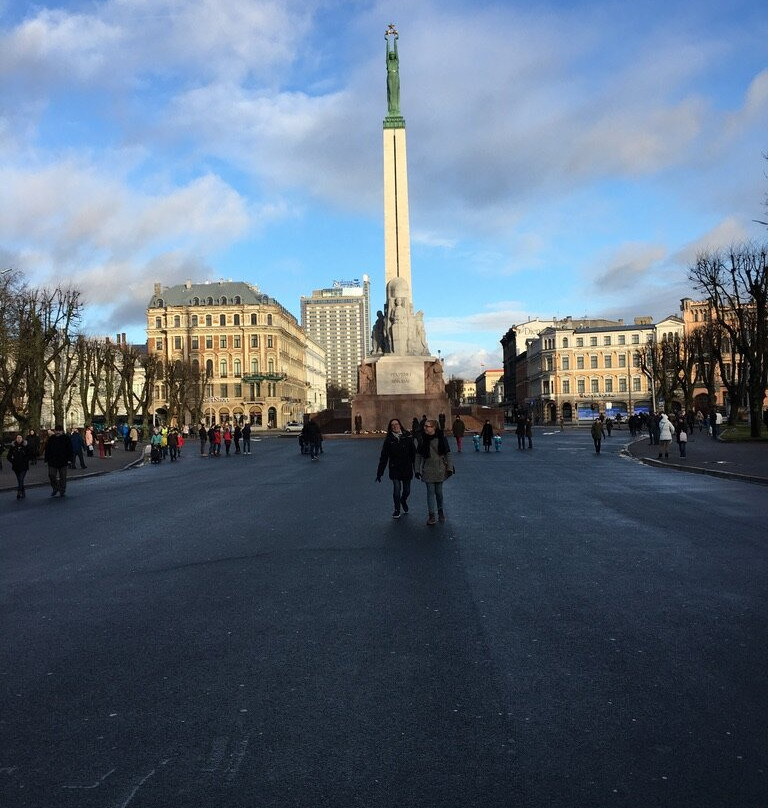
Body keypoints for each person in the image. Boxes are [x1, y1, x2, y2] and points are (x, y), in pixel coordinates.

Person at [415, 419, 453, 525]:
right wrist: (417, 469)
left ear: (434, 428)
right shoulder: (422, 439)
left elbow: (448, 453)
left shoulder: (441, 438)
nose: (425, 428)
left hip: (439, 468)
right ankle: (431, 515)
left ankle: (440, 510)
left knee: (439, 492)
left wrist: (449, 467)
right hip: (427, 469)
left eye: (428, 426)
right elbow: (418, 455)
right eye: (425, 426)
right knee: (430, 493)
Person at [375, 418, 416, 518]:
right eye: (392, 425)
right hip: (395, 468)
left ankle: (403, 500)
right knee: (396, 489)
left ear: (400, 425)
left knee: (407, 490)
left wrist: (417, 469)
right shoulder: (388, 440)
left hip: (406, 467)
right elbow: (384, 457)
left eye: (396, 424)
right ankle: (397, 509)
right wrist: (380, 472)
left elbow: (414, 454)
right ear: (390, 427)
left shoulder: (407, 437)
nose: (395, 426)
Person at [45, 424, 74, 496]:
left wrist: (70, 459)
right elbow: (47, 449)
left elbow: (70, 449)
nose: (58, 432)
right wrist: (46, 459)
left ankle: (62, 490)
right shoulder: (51, 438)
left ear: (62, 431)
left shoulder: (66, 438)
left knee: (63, 476)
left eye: (59, 431)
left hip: (63, 460)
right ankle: (55, 487)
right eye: (56, 431)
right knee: (51, 475)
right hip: (52, 460)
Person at [7, 434, 31, 499]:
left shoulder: (25, 445)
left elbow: (29, 455)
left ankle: (19, 492)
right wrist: (13, 461)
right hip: (16, 466)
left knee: (21, 479)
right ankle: (23, 492)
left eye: (20, 437)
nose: (19, 439)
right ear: (16, 439)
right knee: (20, 480)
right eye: (18, 437)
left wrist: (25, 460)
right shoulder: (13, 446)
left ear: (22, 438)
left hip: (24, 466)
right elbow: (8, 456)